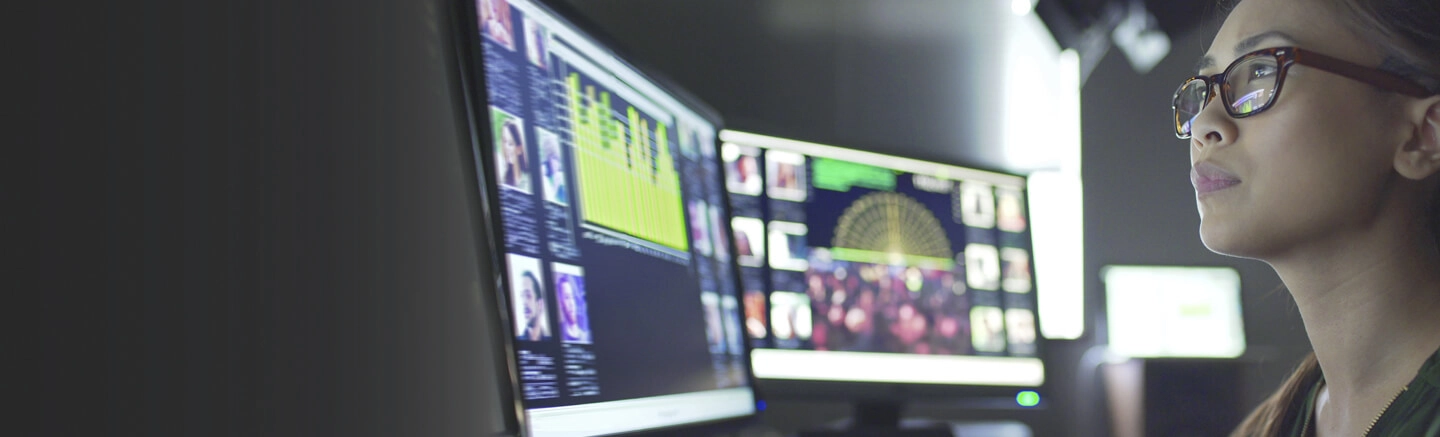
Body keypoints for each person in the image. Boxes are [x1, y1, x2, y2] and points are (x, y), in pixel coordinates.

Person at [1173, 0, 1440, 435]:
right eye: (1202, 89)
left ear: (1422, 135)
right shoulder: (1267, 425)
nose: (1205, 122)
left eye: (1260, 72)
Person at [515, 271, 550, 341]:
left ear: (540, 304)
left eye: (528, 295)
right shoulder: (518, 342)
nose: (524, 302)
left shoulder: (550, 342)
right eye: (521, 296)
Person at [556, 275, 589, 343]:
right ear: (561, 303)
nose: (571, 303)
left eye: (572, 297)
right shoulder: (559, 333)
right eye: (567, 297)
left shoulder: (586, 336)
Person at [499, 120, 529, 190]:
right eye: (504, 141)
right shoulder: (503, 179)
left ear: (519, 149)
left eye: (510, 143)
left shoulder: (529, 181)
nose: (506, 148)